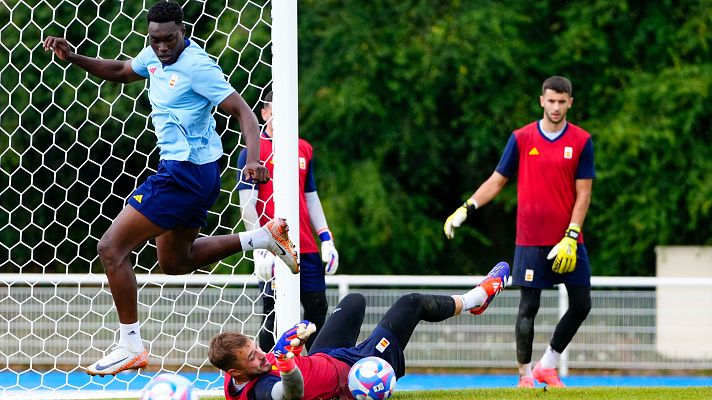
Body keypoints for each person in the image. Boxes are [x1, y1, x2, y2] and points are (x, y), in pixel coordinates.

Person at [42, 0, 299, 376]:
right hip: (195, 173)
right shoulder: (153, 55)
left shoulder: (198, 67)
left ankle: (130, 345)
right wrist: (74, 58)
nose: (161, 47)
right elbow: (120, 70)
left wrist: (253, 159)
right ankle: (262, 238)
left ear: (184, 32)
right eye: (155, 40)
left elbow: (244, 110)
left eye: (168, 40)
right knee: (176, 262)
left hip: (185, 174)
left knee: (111, 247)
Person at [443, 76, 595, 388]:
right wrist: (466, 207)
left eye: (561, 101)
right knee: (529, 306)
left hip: (568, 240)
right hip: (530, 239)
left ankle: (547, 366)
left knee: (582, 304)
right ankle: (524, 376)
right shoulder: (522, 138)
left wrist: (571, 233)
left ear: (570, 103)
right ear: (542, 100)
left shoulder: (581, 141)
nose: (555, 107)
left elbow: (584, 193)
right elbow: (497, 180)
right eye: (550, 100)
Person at [208, 262, 509, 400]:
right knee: (411, 303)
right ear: (237, 372)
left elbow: (269, 361)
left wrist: (288, 348)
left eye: (255, 348)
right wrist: (286, 361)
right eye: (252, 357)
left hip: (327, 358)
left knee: (353, 301)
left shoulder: (237, 372)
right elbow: (291, 392)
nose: (261, 355)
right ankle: (476, 300)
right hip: (350, 374)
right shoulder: (260, 391)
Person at [237, 90, 339, 352]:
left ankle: (319, 369)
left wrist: (326, 238)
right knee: (273, 313)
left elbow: (311, 197)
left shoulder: (303, 148)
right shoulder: (253, 150)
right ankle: (267, 377)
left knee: (317, 311)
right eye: (276, 108)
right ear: (265, 112)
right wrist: (258, 246)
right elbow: (247, 203)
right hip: (273, 247)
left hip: (306, 247)